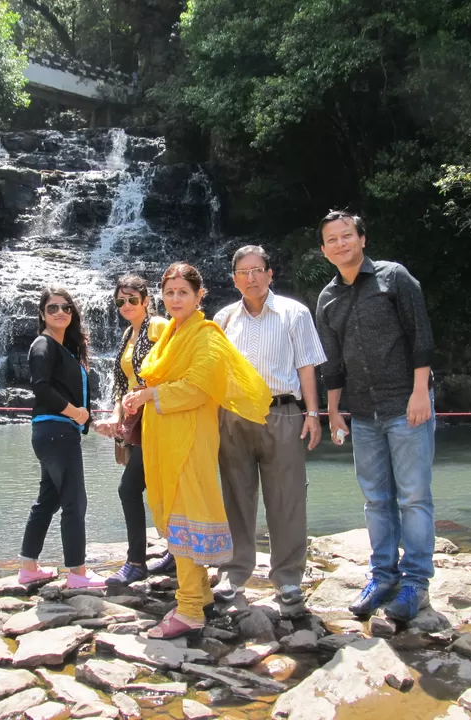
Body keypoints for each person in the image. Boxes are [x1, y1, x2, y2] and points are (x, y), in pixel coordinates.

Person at [122, 263, 271, 638]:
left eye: (183, 293)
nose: (175, 299)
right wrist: (138, 397)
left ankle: (188, 610)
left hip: (189, 438)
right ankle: (201, 593)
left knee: (184, 514)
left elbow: (199, 387)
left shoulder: (206, 335)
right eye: (169, 293)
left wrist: (152, 394)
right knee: (175, 510)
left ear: (199, 295)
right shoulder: (171, 333)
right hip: (164, 436)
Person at [314, 210, 436, 622]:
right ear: (323, 250)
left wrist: (421, 392)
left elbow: (421, 336)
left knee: (414, 497)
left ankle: (415, 583)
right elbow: (332, 363)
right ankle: (383, 576)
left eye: (347, 235)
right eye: (332, 239)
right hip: (362, 413)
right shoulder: (327, 298)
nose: (340, 244)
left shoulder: (394, 277)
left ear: (362, 239)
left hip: (406, 404)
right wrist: (332, 410)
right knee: (375, 500)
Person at [213, 245, 327, 605]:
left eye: (258, 270)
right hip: (233, 416)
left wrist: (313, 413)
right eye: (243, 272)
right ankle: (234, 572)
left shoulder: (294, 313)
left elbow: (307, 365)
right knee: (235, 495)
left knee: (287, 497)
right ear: (234, 279)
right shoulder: (223, 319)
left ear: (270, 274)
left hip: (284, 413)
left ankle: (288, 576)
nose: (252, 277)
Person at [18, 287, 106, 589]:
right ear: (42, 313)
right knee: (74, 501)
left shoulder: (62, 348)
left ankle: (28, 567)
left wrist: (90, 422)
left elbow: (68, 397)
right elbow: (41, 389)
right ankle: (78, 574)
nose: (60, 313)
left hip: (54, 431)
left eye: (66, 308)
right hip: (55, 431)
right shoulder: (43, 345)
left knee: (49, 499)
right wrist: (75, 413)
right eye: (53, 308)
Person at [94, 275, 170, 586]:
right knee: (150, 489)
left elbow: (173, 370)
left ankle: (138, 561)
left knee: (132, 489)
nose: (126, 305)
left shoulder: (159, 328)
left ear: (146, 300)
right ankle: (174, 555)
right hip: (138, 424)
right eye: (120, 301)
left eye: (132, 300)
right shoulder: (129, 333)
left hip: (161, 420)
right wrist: (116, 418)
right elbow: (121, 385)